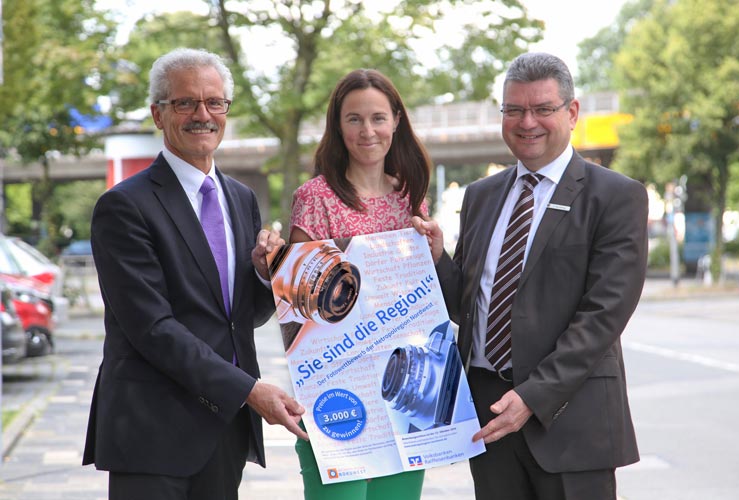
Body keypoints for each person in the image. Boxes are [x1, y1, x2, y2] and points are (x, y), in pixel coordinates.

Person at [413, 52, 648, 500]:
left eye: (543, 109)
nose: (527, 122)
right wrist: (438, 258)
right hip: (488, 416)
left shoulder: (616, 197)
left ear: (572, 112)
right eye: (514, 110)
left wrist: (533, 397)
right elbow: (466, 303)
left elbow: (603, 315)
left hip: (570, 421)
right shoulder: (480, 196)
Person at [82, 47, 308, 500]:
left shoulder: (241, 198)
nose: (202, 115)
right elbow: (152, 328)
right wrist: (248, 390)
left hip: (222, 429)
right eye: (185, 103)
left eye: (214, 102)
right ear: (157, 114)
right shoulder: (124, 206)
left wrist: (268, 275)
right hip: (151, 432)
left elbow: (239, 316)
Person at [288, 68, 431, 500]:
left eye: (378, 118)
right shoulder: (314, 198)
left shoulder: (411, 197)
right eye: (354, 119)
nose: (367, 130)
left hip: (404, 391)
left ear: (396, 122)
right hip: (338, 393)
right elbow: (299, 308)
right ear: (338, 126)